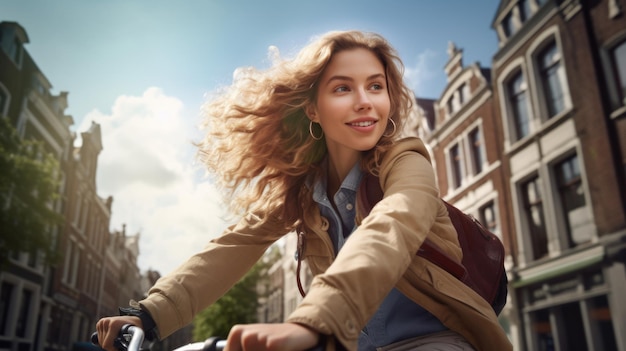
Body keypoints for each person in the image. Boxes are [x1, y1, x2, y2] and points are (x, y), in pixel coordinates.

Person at [96, 30, 512, 351]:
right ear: (313, 109)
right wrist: (148, 314)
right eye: (343, 88)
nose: (365, 101)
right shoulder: (302, 191)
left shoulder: (404, 159)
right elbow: (232, 246)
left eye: (376, 86)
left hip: (436, 340)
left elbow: (395, 222)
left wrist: (315, 319)